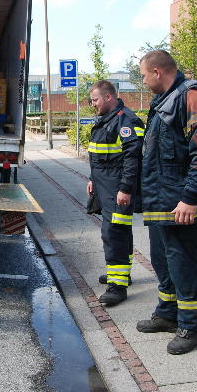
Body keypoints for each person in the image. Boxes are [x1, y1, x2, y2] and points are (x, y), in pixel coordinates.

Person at [136, 50, 197, 354]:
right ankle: (169, 314)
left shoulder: (193, 98)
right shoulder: (166, 99)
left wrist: (190, 197)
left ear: (158, 71)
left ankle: (192, 325)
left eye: (144, 75)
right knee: (163, 259)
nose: (143, 81)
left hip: (180, 201)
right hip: (163, 199)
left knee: (185, 262)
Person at [85, 80, 144, 306]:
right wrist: (92, 179)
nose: (93, 105)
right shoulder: (109, 120)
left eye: (95, 100)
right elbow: (100, 155)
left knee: (114, 233)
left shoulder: (126, 121)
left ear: (108, 97)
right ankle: (121, 274)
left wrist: (126, 189)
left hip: (117, 189)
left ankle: (117, 287)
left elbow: (133, 158)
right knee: (119, 232)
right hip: (106, 187)